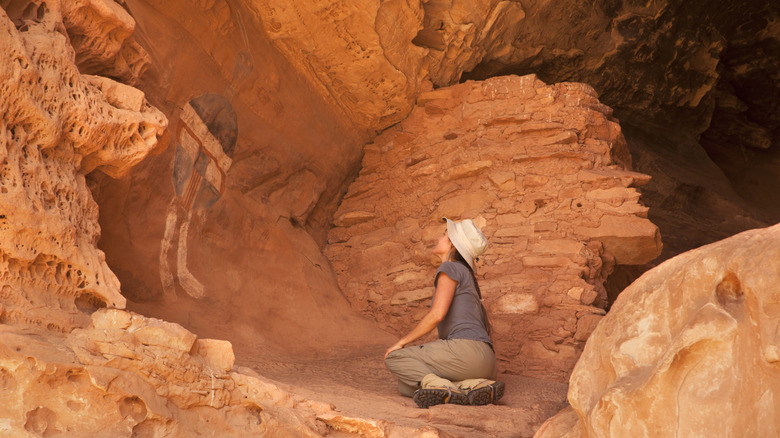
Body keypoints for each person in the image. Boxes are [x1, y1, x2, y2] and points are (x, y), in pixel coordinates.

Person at [384, 217, 505, 408]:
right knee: (406, 386)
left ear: (453, 245)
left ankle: (449, 387)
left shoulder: (449, 267)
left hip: (465, 354)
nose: (439, 237)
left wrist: (401, 342)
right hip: (486, 364)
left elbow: (437, 315)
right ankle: (474, 386)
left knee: (396, 358)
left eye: (444, 235)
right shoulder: (467, 275)